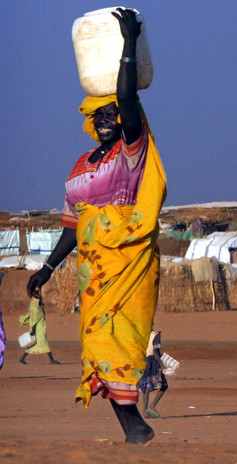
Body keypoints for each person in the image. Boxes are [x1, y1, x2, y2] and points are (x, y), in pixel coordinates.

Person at [25, 8, 165, 444]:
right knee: (94, 350)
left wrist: (126, 47)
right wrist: (47, 269)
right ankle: (136, 429)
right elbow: (72, 225)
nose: (107, 119)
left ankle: (136, 429)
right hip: (93, 274)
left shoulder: (133, 152)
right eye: (99, 115)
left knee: (118, 345)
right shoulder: (80, 167)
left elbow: (127, 100)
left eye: (113, 113)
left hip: (129, 263)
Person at [18, 297, 60, 365]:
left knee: (33, 345)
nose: (43, 305)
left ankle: (22, 358)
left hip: (40, 330)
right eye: (42, 304)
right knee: (45, 344)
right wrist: (33, 331)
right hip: (39, 332)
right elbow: (35, 321)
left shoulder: (39, 311)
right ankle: (52, 360)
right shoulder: (38, 312)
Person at [138, 330, 168, 418]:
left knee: (147, 386)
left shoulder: (144, 333)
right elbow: (155, 351)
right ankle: (152, 405)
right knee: (164, 385)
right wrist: (162, 365)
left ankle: (145, 411)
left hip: (145, 360)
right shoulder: (156, 335)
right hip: (154, 362)